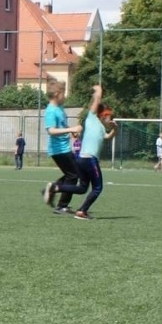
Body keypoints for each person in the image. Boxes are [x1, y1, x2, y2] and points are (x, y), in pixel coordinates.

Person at [51, 83, 115, 221]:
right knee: (98, 188)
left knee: (82, 188)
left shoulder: (102, 128)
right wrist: (99, 92)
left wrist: (115, 129)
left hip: (81, 160)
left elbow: (108, 137)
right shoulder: (92, 119)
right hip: (89, 160)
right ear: (103, 115)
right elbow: (96, 102)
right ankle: (82, 211)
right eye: (110, 116)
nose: (111, 118)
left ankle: (57, 188)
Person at [41, 80, 82, 212]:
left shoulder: (60, 108)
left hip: (64, 148)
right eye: (64, 94)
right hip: (58, 150)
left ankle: (51, 188)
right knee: (73, 176)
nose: (65, 97)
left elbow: (62, 126)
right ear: (58, 94)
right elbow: (51, 130)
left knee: (72, 174)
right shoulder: (51, 111)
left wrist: (71, 130)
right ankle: (62, 205)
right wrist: (71, 130)